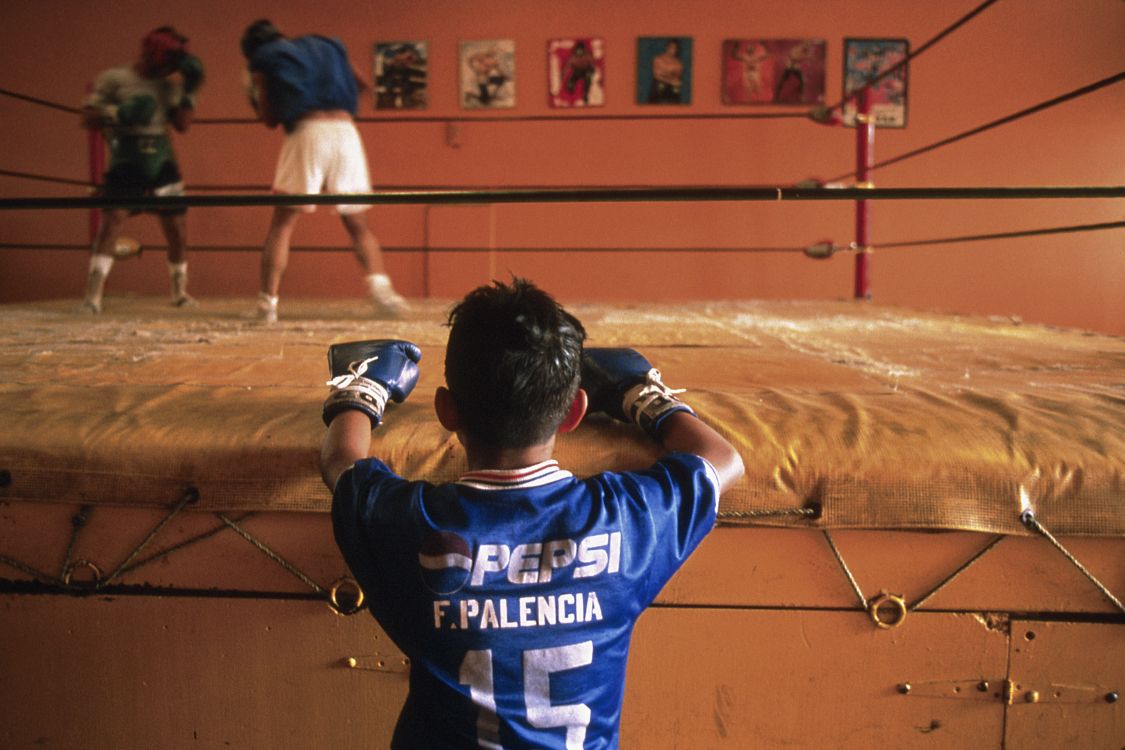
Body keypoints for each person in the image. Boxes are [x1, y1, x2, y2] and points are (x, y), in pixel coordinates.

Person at [320, 278, 744, 748]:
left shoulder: (408, 524)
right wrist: (641, 393)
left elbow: (342, 465)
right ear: (574, 411)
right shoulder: (627, 520)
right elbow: (721, 459)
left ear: (447, 410)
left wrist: (360, 389)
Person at [239, 19, 408, 323]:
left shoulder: (266, 57)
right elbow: (364, 85)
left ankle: (268, 305)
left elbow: (268, 118)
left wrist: (255, 96)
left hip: (307, 131)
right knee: (357, 224)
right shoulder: (327, 44)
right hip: (346, 132)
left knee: (283, 223)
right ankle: (382, 290)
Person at [80, 26, 204, 313]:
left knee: (177, 227)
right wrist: (117, 113)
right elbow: (87, 118)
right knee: (112, 222)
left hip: (161, 158)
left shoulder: (169, 86)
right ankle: (93, 296)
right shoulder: (115, 79)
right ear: (152, 56)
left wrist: (190, 90)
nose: (169, 69)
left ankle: (179, 293)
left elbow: (183, 125)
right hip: (127, 158)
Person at [648, 39, 684, 104]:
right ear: (667, 47)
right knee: (659, 87)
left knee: (676, 91)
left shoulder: (678, 64)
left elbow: (677, 79)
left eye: (674, 48)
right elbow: (657, 75)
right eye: (670, 47)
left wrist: (667, 75)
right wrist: (670, 78)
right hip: (659, 87)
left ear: (677, 50)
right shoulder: (658, 59)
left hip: (672, 89)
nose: (672, 50)